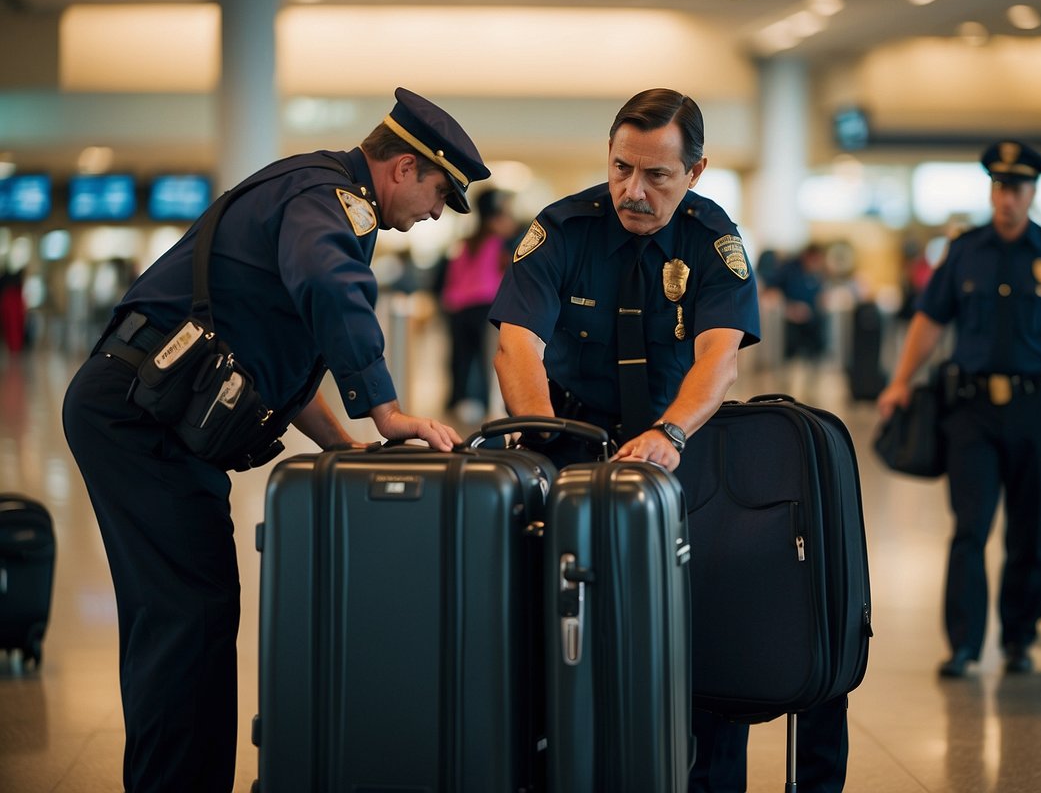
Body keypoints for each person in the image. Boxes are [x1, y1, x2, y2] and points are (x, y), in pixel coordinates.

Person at [61, 86, 487, 793]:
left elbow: (276, 369)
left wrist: (339, 446)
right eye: (441, 191)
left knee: (182, 614)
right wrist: (384, 410)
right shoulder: (329, 199)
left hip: (149, 410)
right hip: (138, 414)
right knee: (187, 616)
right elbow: (328, 283)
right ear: (404, 168)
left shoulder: (312, 187)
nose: (439, 211)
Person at [489, 87, 849, 792]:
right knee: (558, 637)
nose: (633, 190)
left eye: (657, 175)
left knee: (701, 638)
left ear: (696, 170)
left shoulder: (712, 240)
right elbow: (517, 344)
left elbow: (719, 355)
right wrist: (539, 439)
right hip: (569, 444)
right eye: (622, 167)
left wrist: (669, 432)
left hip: (680, 451)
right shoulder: (563, 228)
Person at [876, 140, 1041, 679]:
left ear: (1032, 193)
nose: (1006, 198)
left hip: (1036, 409)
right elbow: (930, 321)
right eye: (998, 187)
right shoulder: (965, 250)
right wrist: (901, 380)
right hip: (971, 411)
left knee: (1028, 527)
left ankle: (1019, 639)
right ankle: (965, 646)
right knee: (969, 528)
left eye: (1016, 188)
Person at [437, 186, 514, 423]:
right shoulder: (500, 243)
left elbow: (452, 277)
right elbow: (507, 276)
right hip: (485, 307)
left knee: (459, 358)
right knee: (485, 359)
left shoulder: (466, 242)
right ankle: (481, 404)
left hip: (458, 308)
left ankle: (455, 402)